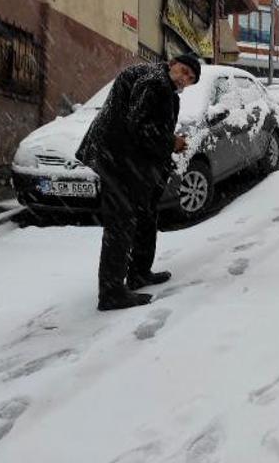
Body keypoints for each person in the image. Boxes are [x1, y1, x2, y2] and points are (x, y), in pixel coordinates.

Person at [76, 53, 200, 311]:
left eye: (191, 78)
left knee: (144, 211)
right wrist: (171, 142)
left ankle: (139, 272)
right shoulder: (155, 82)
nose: (185, 78)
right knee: (121, 220)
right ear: (173, 63)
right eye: (184, 70)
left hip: (124, 156)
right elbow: (139, 125)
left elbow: (143, 122)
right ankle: (111, 293)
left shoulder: (157, 80)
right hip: (117, 158)